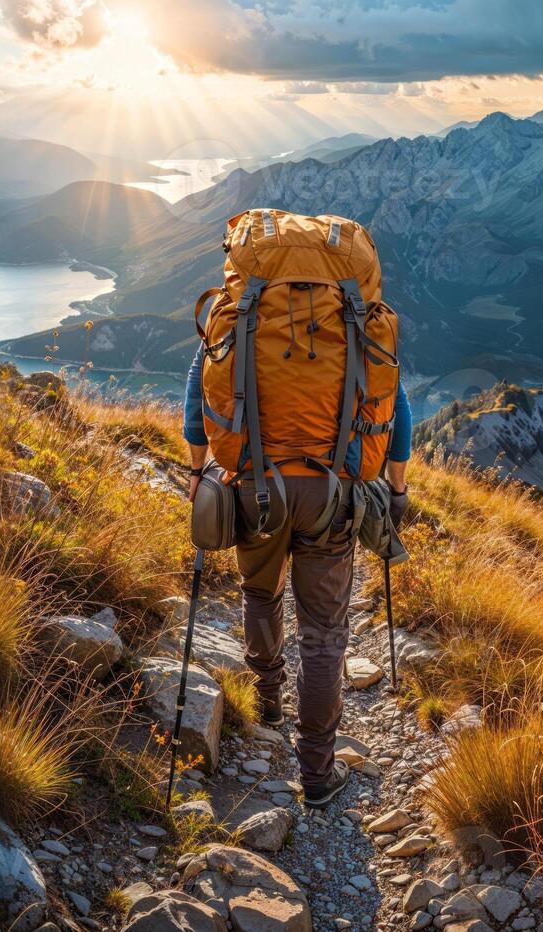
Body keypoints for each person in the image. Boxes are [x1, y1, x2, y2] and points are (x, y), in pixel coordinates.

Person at [182, 344, 413, 808]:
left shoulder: (242, 311)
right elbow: (397, 406)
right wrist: (398, 487)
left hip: (253, 482)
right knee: (324, 630)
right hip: (334, 492)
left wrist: (195, 467)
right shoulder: (351, 316)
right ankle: (317, 772)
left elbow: (197, 392)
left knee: (261, 593)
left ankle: (269, 700)